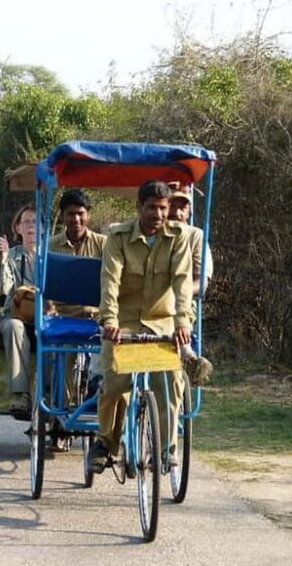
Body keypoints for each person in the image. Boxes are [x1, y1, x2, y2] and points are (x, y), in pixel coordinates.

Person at [88, 180, 193, 473]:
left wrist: (182, 322)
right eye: (152, 208)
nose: (158, 215)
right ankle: (106, 443)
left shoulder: (178, 237)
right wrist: (109, 320)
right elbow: (110, 281)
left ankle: (167, 448)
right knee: (114, 384)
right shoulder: (118, 237)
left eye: (163, 208)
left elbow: (182, 282)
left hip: (162, 323)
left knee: (171, 382)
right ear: (139, 207)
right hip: (124, 323)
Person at [48, 189, 107, 405]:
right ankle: (61, 408)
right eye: (71, 214)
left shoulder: (104, 244)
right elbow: (43, 284)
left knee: (111, 351)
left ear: (88, 215)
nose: (76, 219)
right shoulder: (50, 246)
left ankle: (100, 401)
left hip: (98, 317)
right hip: (64, 317)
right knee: (62, 357)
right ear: (63, 216)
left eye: (80, 213)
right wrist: (49, 307)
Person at [0, 203, 41, 412]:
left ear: (43, 227)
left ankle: (49, 393)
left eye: (35, 222)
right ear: (18, 228)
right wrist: (2, 260)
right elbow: (1, 290)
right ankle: (20, 395)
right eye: (26, 222)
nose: (31, 226)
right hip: (15, 315)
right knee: (14, 327)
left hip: (44, 316)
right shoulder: (11, 256)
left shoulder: (51, 256)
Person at [167, 184, 214, 295]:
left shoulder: (195, 236)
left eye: (182, 208)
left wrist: (179, 294)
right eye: (172, 206)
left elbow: (202, 282)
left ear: (188, 212)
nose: (176, 213)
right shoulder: (151, 232)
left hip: (182, 300)